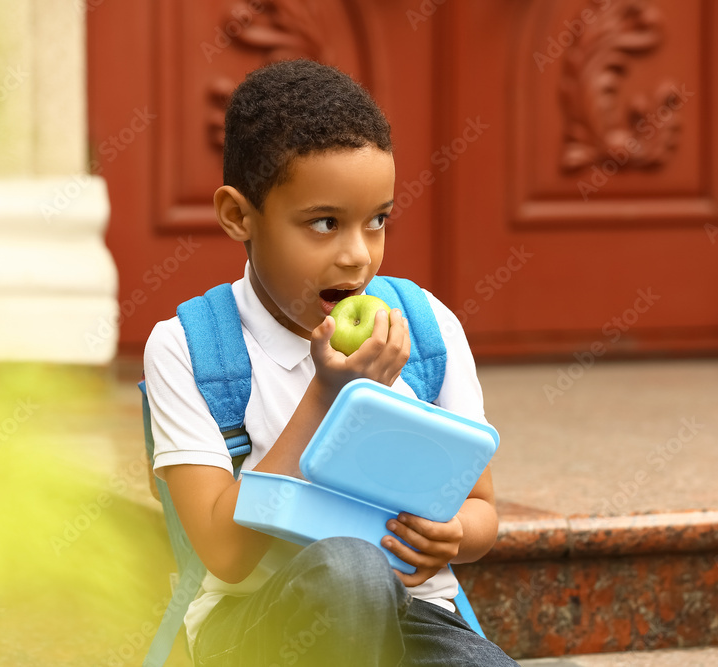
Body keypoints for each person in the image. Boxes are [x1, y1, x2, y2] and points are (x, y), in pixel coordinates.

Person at [143, 58, 517, 666]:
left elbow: (481, 510)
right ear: (239, 215)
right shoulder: (188, 349)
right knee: (350, 566)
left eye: (377, 221)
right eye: (324, 223)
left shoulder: (426, 330)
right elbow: (224, 551)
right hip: (260, 625)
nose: (357, 256)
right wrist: (326, 394)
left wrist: (453, 537)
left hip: (413, 615)